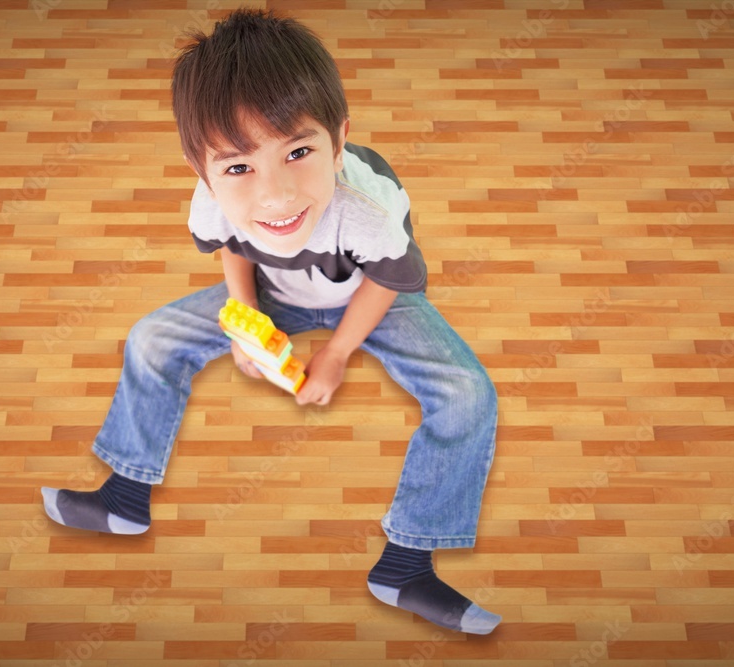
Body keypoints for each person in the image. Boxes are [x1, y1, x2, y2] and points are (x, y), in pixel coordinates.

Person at [41, 7, 501, 635]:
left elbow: (390, 280)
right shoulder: (212, 205)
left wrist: (337, 353)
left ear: (339, 139)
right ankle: (124, 498)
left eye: (299, 152)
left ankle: (406, 564)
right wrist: (245, 317)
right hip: (276, 291)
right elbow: (234, 248)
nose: (276, 196)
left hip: (368, 293)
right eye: (237, 167)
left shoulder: (370, 210)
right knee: (153, 338)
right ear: (202, 172)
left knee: (468, 393)